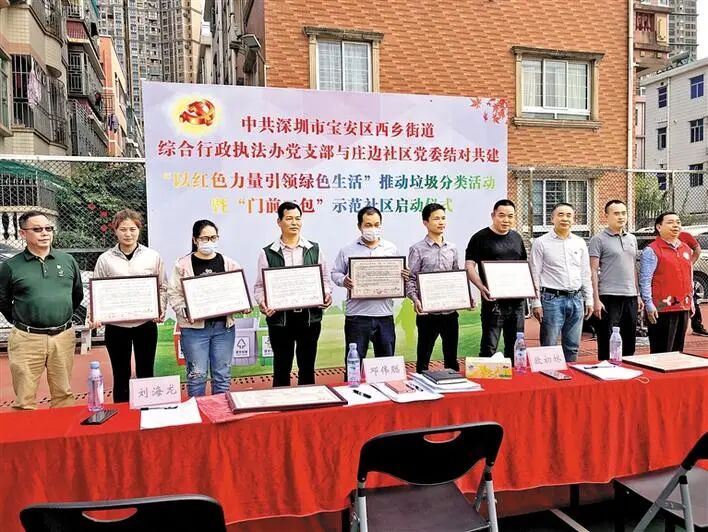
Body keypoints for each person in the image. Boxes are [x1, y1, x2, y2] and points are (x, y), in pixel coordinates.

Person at [0, 211, 83, 409]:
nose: (45, 233)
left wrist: (58, 315)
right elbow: (2, 300)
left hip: (63, 337)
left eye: (48, 228)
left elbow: (76, 295)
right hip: (26, 339)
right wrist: (24, 320)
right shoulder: (11, 266)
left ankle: (63, 429)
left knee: (64, 395)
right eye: (37, 229)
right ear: (23, 233)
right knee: (25, 399)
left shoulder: (67, 261)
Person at [91, 209, 168, 403]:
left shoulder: (152, 256)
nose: (128, 234)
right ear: (115, 230)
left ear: (139, 230)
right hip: (116, 327)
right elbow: (97, 291)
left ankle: (148, 410)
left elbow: (162, 286)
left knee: (146, 370)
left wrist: (160, 309)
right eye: (123, 229)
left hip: (145, 324)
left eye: (132, 229)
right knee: (120, 373)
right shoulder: (105, 259)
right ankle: (122, 414)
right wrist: (95, 316)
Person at [254, 202, 332, 387]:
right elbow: (259, 286)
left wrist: (326, 294)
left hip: (309, 318)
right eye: (289, 218)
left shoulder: (314, 249)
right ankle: (281, 404)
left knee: (307, 367)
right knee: (281, 368)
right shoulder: (267, 253)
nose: (294, 222)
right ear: (279, 222)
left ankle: (308, 402)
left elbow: (324, 279)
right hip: (280, 320)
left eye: (298, 218)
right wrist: (263, 303)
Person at [168, 220, 245, 396]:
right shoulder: (182, 265)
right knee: (197, 375)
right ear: (195, 240)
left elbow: (237, 291)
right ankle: (197, 411)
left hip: (223, 328)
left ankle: (221, 410)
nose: (209, 242)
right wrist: (185, 310)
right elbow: (174, 293)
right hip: (194, 330)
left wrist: (242, 305)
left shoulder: (229, 264)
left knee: (222, 376)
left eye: (213, 237)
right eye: (204, 238)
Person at [331, 206, 409, 363]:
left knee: (385, 364)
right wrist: (344, 280)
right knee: (354, 363)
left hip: (384, 315)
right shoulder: (347, 250)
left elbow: (399, 274)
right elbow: (335, 273)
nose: (373, 228)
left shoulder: (391, 249)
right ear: (359, 226)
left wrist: (404, 276)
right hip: (357, 316)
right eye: (368, 225)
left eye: (376, 224)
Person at [530, 203, 593, 362]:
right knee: (549, 346)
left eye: (568, 215)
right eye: (560, 215)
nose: (565, 218)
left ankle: (570, 376)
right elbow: (534, 274)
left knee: (572, 346)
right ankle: (547, 376)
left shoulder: (579, 242)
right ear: (552, 219)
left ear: (574, 219)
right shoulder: (541, 242)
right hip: (551, 300)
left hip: (576, 299)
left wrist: (589, 299)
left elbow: (585, 273)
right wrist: (536, 302)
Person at [466, 199, 526, 360]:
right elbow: (469, 266)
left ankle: (514, 374)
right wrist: (481, 287)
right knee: (489, 346)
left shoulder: (517, 238)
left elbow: (523, 267)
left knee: (516, 346)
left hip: (517, 302)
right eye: (501, 215)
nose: (506, 220)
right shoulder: (479, 238)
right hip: (493, 302)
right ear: (493, 215)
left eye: (510, 216)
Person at [406, 203, 461, 373]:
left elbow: (456, 277)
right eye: (436, 218)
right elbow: (410, 279)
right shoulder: (417, 249)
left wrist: (465, 297)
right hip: (427, 313)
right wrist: (415, 300)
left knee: (451, 357)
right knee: (424, 358)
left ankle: (453, 384)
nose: (441, 222)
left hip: (450, 312)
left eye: (443, 218)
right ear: (425, 222)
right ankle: (421, 386)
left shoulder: (452, 248)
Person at [588, 200, 642, 360]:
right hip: (608, 297)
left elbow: (633, 267)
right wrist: (595, 299)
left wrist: (638, 294)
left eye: (623, 213)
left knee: (629, 342)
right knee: (607, 341)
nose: (621, 217)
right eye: (616, 213)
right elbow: (592, 270)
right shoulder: (598, 240)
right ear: (606, 216)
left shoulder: (632, 238)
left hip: (630, 296)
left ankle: (628, 370)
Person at [639, 212, 694, 353]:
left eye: (678, 222)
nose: (675, 225)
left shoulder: (686, 249)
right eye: (670, 222)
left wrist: (691, 301)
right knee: (662, 352)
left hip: (683, 306)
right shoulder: (652, 250)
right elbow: (645, 280)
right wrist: (649, 304)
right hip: (662, 308)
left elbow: (689, 276)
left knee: (678, 351)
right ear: (659, 227)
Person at [678, 230, 708, 337]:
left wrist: (690, 263)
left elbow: (697, 249)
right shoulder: (661, 237)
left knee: (693, 300)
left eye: (677, 222)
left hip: (685, 276)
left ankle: (697, 326)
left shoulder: (684, 235)